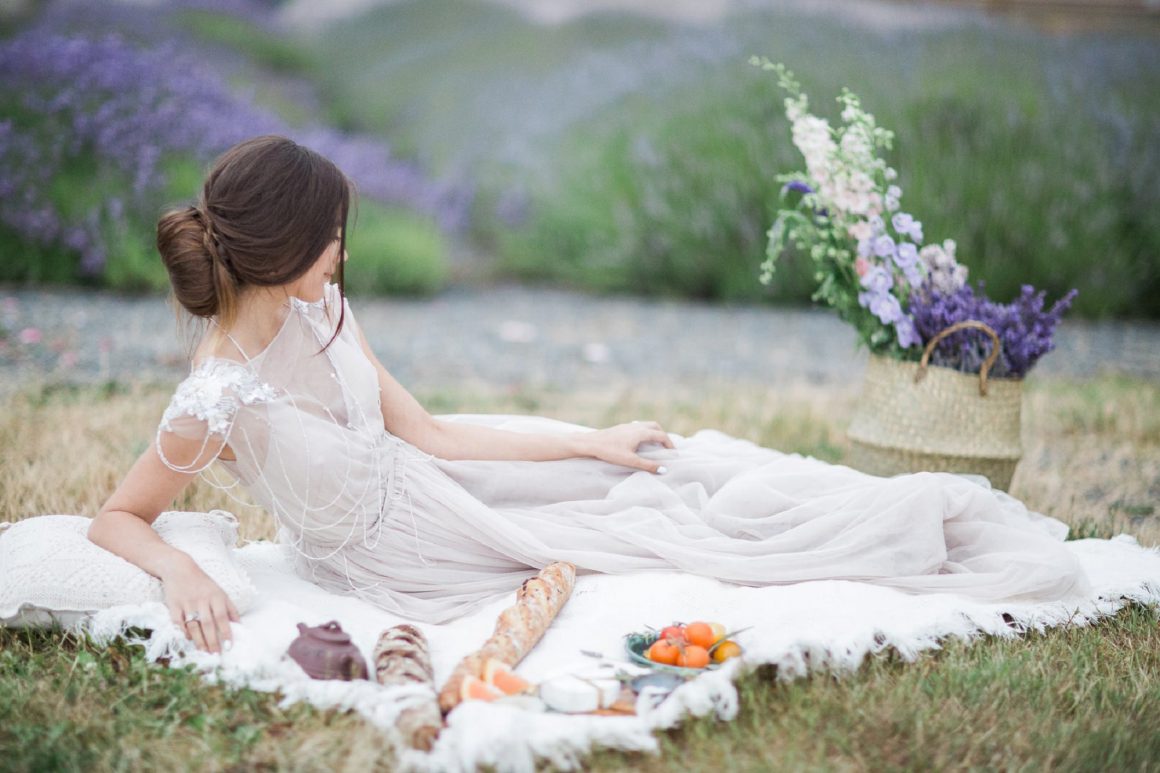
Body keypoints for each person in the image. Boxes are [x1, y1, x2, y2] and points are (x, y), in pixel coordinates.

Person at [87, 136, 1088, 655]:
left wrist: (587, 438)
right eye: (332, 232)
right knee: (666, 531)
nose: (343, 248)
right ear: (280, 247)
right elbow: (119, 517)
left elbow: (424, 428)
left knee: (658, 467)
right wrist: (177, 570)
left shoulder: (322, 310)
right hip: (402, 553)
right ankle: (889, 535)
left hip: (432, 473)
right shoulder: (213, 397)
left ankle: (857, 507)